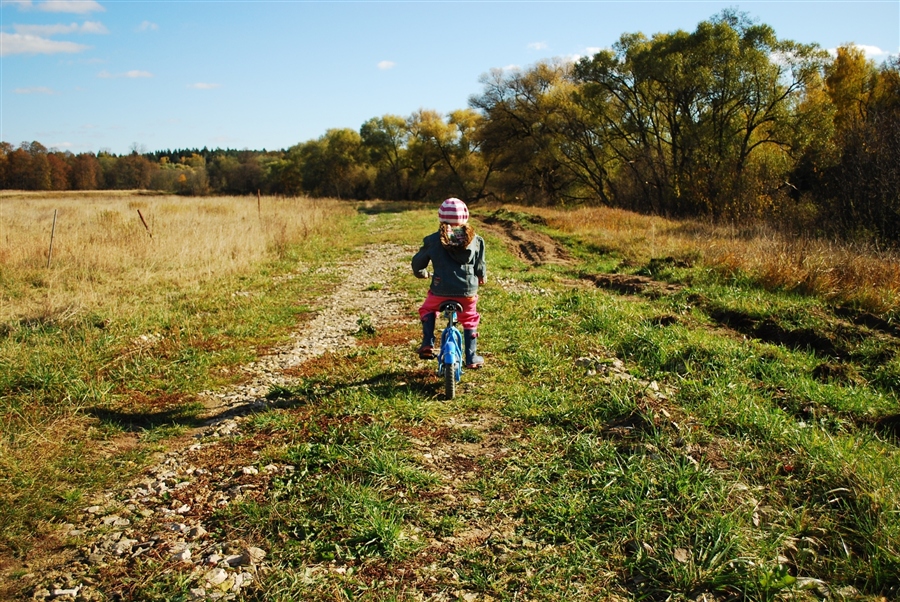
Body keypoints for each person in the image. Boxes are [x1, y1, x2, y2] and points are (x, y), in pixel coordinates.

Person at [412, 197, 486, 369]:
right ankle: (472, 357)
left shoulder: (433, 240)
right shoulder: (476, 240)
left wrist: (421, 273)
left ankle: (428, 344)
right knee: (469, 319)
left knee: (427, 309)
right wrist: (481, 276)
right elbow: (480, 265)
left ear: (441, 218)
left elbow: (418, 263)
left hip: (440, 290)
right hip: (467, 292)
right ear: (465, 217)